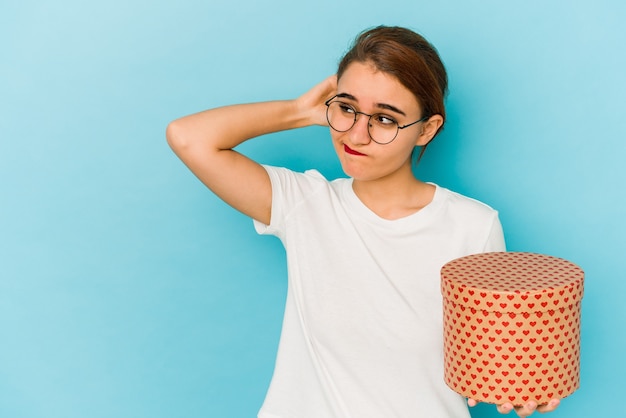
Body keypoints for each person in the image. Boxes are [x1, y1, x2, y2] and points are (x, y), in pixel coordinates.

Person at [167, 25, 560, 418]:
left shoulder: (472, 225)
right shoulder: (304, 204)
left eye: (385, 119)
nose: (357, 133)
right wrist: (299, 111)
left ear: (426, 129)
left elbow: (498, 355)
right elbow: (188, 137)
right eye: (346, 107)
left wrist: (528, 385)